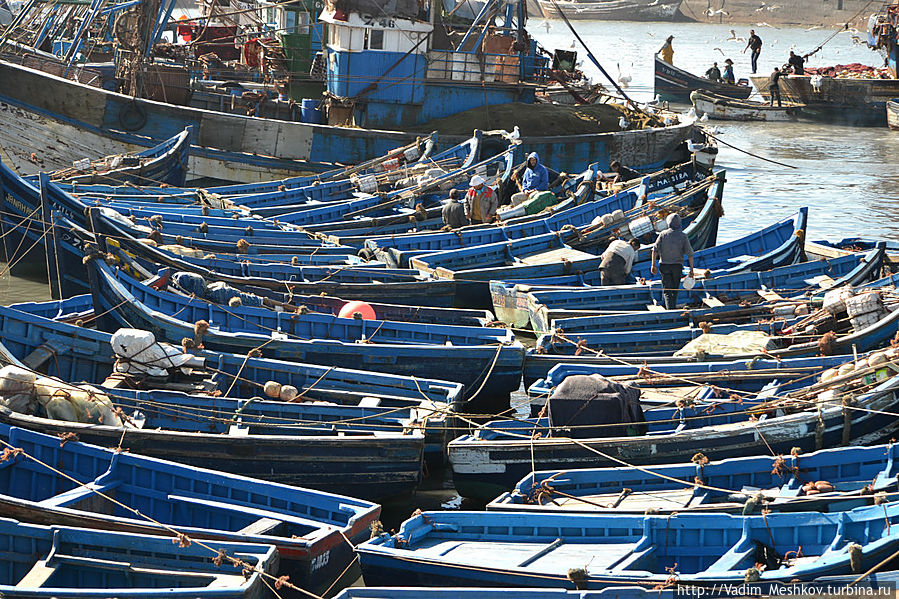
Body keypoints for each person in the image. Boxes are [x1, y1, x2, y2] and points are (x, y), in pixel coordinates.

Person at [650, 213, 694, 310]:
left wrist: (653, 265)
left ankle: (671, 310)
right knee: (674, 290)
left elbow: (654, 250)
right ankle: (672, 309)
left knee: (667, 291)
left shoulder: (663, 234)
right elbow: (690, 254)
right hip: (677, 267)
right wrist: (691, 270)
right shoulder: (683, 236)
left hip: (664, 266)